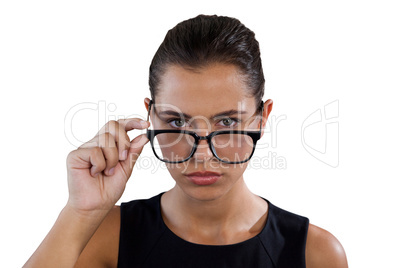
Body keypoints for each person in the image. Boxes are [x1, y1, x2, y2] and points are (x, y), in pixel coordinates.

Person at [24, 15, 348, 268]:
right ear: (150, 117)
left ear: (262, 119)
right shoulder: (107, 236)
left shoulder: (314, 253)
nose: (202, 154)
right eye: (177, 122)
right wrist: (80, 212)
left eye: (227, 122)